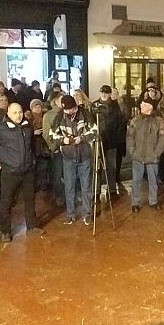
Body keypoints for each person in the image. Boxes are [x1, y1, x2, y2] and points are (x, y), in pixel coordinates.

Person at [0, 103, 45, 242]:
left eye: (20, 112)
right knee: (6, 202)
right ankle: (6, 231)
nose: (18, 115)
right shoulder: (1, 128)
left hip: (27, 170)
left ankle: (32, 225)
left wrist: (32, 159)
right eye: (15, 113)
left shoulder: (27, 126)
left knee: (30, 200)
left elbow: (32, 144)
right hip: (10, 171)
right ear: (8, 113)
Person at [52, 95, 95, 225]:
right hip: (68, 156)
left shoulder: (85, 114)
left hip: (85, 155)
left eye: (71, 109)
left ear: (75, 106)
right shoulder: (59, 116)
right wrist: (63, 140)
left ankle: (87, 214)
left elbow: (94, 130)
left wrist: (82, 138)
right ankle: (71, 214)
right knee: (69, 187)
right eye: (66, 110)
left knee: (86, 186)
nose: (69, 112)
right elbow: (52, 134)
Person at [126, 95, 164, 213]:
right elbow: (129, 136)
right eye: (141, 105)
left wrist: (157, 153)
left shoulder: (159, 121)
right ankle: (135, 202)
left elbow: (163, 137)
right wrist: (132, 151)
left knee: (153, 180)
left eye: (144, 105)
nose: (141, 106)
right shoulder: (135, 120)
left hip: (152, 156)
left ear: (150, 107)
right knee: (136, 181)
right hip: (137, 156)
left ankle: (153, 201)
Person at [91, 85, 123, 202]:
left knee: (111, 167)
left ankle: (112, 191)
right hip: (99, 141)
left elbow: (120, 121)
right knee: (97, 167)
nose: (103, 94)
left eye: (106, 92)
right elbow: (91, 123)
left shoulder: (116, 106)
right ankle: (96, 192)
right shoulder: (94, 106)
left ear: (110, 94)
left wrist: (117, 137)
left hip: (112, 141)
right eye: (102, 92)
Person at [43, 93, 64, 206]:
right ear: (55, 101)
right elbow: (47, 134)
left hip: (69, 149)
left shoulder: (67, 112)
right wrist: (54, 147)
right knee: (57, 174)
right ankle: (59, 196)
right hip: (57, 150)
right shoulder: (49, 115)